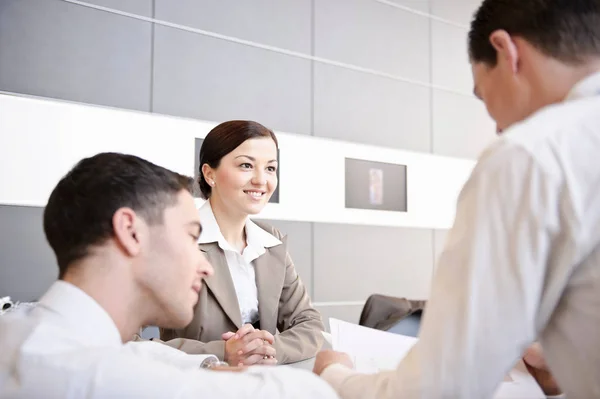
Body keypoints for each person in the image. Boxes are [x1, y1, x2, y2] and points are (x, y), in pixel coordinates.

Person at [313, 0, 600, 397]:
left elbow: (440, 390)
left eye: (483, 96)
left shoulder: (531, 154)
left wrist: (335, 376)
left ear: (506, 51)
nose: (498, 127)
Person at [0, 152, 338, 398]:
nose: (204, 264)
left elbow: (139, 352)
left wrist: (210, 362)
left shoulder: (21, 328)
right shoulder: (107, 379)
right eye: (191, 236)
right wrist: (336, 371)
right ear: (131, 232)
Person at [159, 120, 325, 366]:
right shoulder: (175, 240)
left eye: (270, 168)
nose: (261, 180)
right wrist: (220, 351)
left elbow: (309, 323)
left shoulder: (271, 241)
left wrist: (265, 349)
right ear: (209, 174)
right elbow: (128, 340)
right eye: (246, 165)